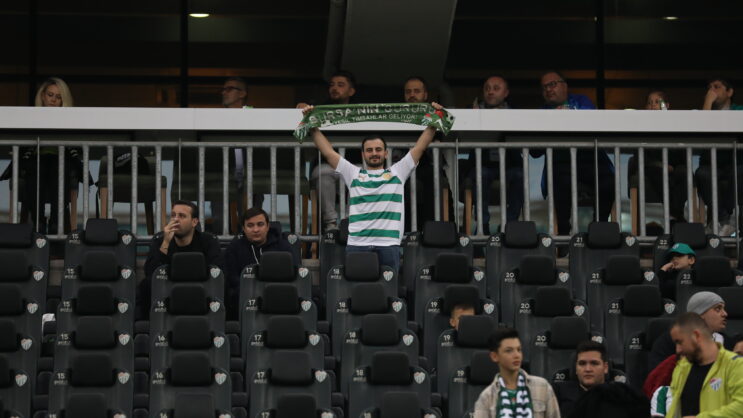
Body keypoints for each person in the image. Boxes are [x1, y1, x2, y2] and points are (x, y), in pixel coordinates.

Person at [303, 102, 441, 274]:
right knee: (357, 289)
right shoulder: (353, 174)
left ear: (386, 153)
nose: (374, 153)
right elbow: (328, 152)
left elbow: (420, 147)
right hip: (357, 244)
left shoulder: (398, 172)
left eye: (378, 149)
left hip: (388, 245)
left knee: (387, 289)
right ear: (363, 154)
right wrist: (312, 127)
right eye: (369, 150)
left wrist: (435, 120)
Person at [531, 71, 615, 239]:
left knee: (608, 181)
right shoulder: (541, 112)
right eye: (544, 87)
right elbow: (534, 151)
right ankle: (564, 235)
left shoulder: (581, 101)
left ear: (565, 85)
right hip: (561, 166)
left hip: (591, 161)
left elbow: (592, 121)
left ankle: (599, 229)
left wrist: (567, 115)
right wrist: (550, 122)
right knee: (561, 182)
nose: (548, 89)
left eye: (552, 84)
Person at [0, 77, 85, 233]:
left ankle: (55, 223)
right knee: (36, 166)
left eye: (58, 97)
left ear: (63, 101)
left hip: (60, 161)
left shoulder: (70, 119)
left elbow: (78, 148)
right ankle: (38, 222)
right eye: (50, 95)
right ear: (42, 96)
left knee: (58, 167)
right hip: (35, 161)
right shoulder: (29, 117)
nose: (53, 100)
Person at [299, 71, 363, 231]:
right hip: (327, 166)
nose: (334, 88)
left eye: (340, 85)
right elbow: (304, 119)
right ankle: (331, 225)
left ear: (351, 91)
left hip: (354, 165)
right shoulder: (318, 108)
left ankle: (349, 222)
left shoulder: (362, 111)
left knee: (362, 173)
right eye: (332, 85)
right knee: (322, 172)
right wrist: (301, 108)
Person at [139, 200, 223, 318]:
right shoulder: (160, 240)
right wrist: (166, 242)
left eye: (182, 216)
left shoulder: (208, 241)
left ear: (194, 222)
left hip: (199, 289)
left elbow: (217, 272)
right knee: (145, 285)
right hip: (168, 290)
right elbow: (151, 273)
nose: (176, 220)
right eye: (173, 215)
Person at [467, 75, 524, 232]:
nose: (490, 92)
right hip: (483, 165)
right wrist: (473, 118)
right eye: (487, 88)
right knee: (481, 174)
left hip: (510, 165)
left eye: (496, 88)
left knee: (520, 175)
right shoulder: (473, 111)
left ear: (506, 93)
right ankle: (483, 226)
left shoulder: (516, 113)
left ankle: (509, 225)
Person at [224, 207, 299, 318]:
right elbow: (232, 279)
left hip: (279, 294)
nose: (256, 230)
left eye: (260, 224)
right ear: (243, 228)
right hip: (247, 297)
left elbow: (294, 274)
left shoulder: (283, 247)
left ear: (268, 226)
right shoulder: (234, 248)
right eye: (250, 225)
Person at [398, 76, 452, 231]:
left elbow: (452, 131)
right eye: (408, 92)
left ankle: (434, 232)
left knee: (435, 181)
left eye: (416, 91)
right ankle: (407, 233)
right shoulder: (396, 114)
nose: (412, 95)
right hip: (402, 167)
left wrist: (441, 113)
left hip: (429, 166)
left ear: (425, 95)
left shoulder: (434, 112)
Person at [629, 90, 689, 226]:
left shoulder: (675, 126)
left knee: (685, 173)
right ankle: (676, 215)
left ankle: (674, 214)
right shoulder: (641, 127)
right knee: (656, 170)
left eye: (656, 102)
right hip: (652, 168)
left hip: (674, 167)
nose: (652, 106)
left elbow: (682, 153)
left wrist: (671, 166)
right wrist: (661, 165)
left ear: (666, 105)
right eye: (649, 103)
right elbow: (640, 155)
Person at [666, 312, 743, 417]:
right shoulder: (681, 368)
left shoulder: (737, 365)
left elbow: (741, 408)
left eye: (680, 342)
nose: (678, 350)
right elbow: (674, 410)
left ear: (696, 336)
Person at [474, 327, 560, 418]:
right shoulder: (486, 398)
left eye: (519, 350)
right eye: (509, 351)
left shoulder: (543, 387)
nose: (517, 355)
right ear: (494, 356)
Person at [696, 78, 743, 235]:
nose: (711, 91)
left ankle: (725, 216)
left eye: (717, 87)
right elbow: (701, 128)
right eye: (709, 87)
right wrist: (707, 103)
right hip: (711, 164)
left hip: (736, 162)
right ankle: (724, 219)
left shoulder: (738, 110)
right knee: (702, 173)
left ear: (729, 92)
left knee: (740, 172)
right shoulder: (705, 110)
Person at [649, 291, 729, 372]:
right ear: (699, 314)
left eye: (724, 309)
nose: (725, 314)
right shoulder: (669, 342)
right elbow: (657, 375)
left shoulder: (727, 341)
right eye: (718, 309)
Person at [553, 341, 609, 416]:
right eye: (582, 363)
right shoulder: (558, 391)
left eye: (594, 363)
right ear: (576, 368)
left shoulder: (616, 396)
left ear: (605, 368)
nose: (588, 369)